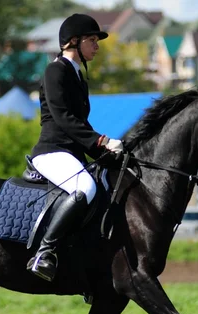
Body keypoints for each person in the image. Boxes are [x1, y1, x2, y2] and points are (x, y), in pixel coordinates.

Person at [27, 14, 124, 282]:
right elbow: (64, 119)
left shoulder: (78, 76)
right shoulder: (54, 71)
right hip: (52, 151)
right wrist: (101, 141)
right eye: (92, 40)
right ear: (73, 42)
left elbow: (80, 124)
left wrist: (105, 155)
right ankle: (44, 253)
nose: (97, 45)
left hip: (71, 152)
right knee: (86, 188)